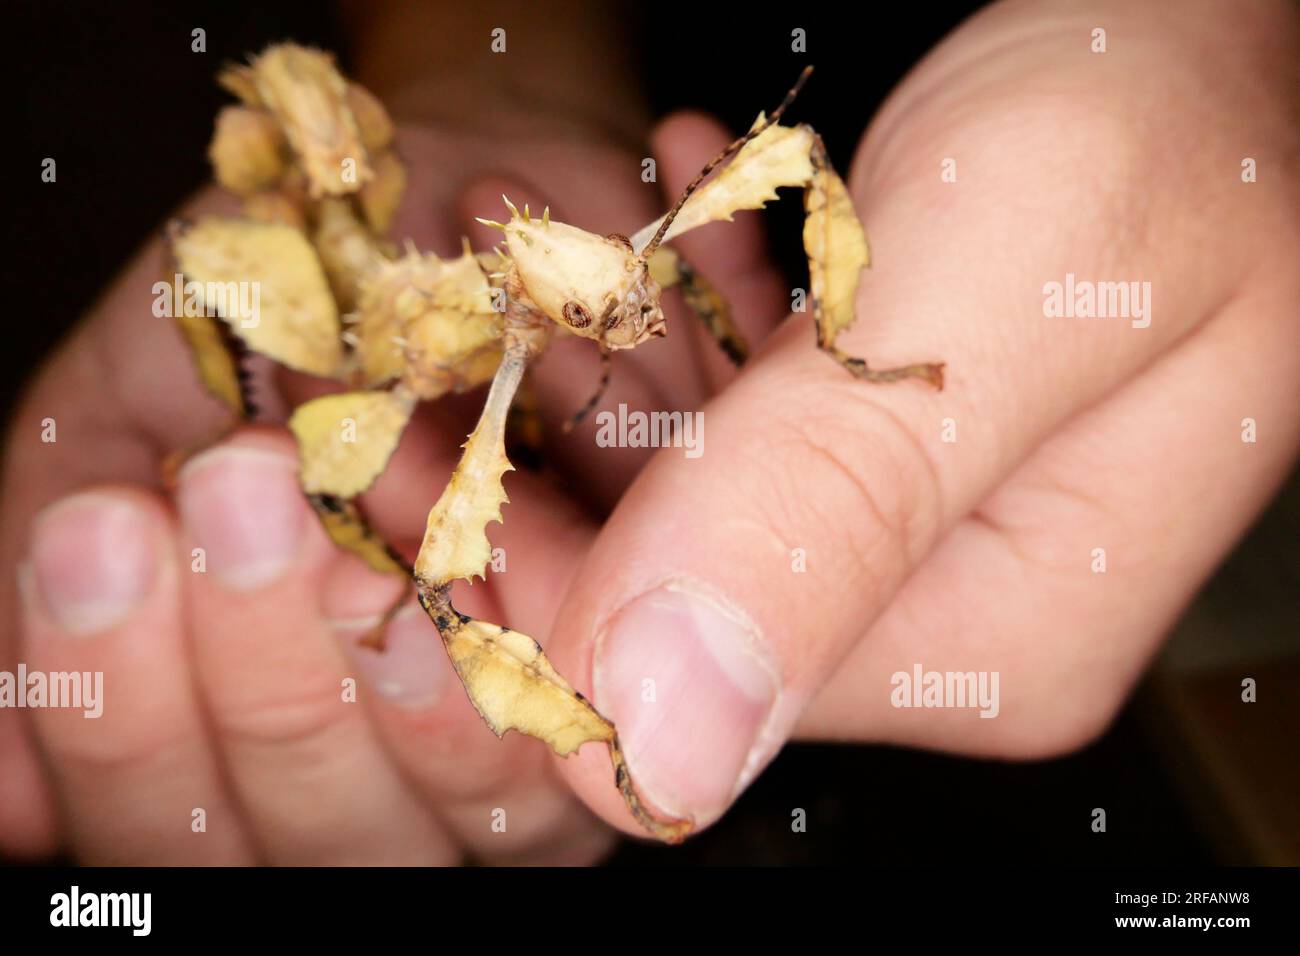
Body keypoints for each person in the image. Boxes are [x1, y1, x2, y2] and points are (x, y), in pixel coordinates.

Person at [2, 0, 1296, 864]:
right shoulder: (381, 307)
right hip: (224, 244)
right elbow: (364, 491)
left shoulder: (591, 279)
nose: (614, 297)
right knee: (424, 575)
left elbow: (752, 184)